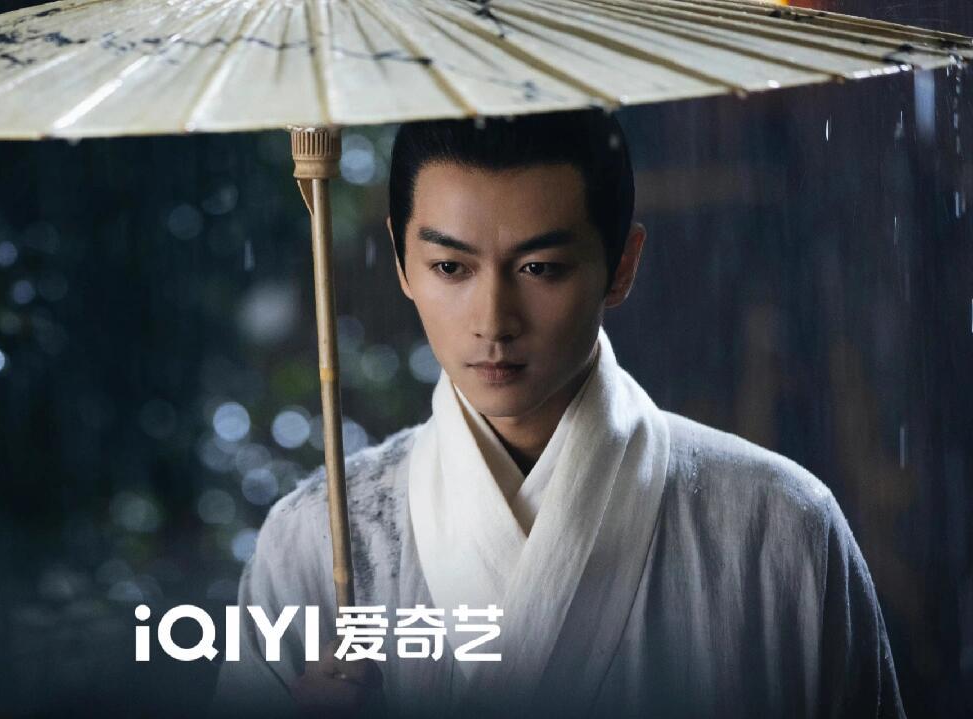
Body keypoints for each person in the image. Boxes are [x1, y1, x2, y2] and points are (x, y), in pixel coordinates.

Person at [211, 110, 904, 718]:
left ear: (622, 265)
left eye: (540, 267)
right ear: (402, 259)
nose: (493, 321)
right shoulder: (314, 539)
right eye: (451, 267)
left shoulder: (780, 527)